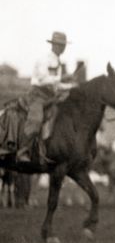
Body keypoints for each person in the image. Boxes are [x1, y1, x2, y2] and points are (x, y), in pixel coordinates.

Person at [19, 31, 74, 162]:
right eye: (60, 45)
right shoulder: (44, 60)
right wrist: (61, 77)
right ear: (53, 45)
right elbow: (43, 80)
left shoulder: (58, 63)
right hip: (37, 95)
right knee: (36, 119)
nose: (63, 47)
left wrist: (72, 86)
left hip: (50, 97)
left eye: (64, 45)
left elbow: (56, 85)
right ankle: (23, 151)